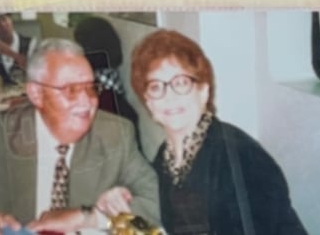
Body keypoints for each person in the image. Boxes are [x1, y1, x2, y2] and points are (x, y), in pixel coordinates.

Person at [0, 39, 160, 234]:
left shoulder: (116, 133)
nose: (87, 102)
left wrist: (90, 216)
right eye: (71, 90)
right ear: (36, 94)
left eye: (91, 88)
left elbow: (157, 206)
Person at [130, 29, 309, 235]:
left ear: (203, 91)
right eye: (156, 87)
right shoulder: (165, 158)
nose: (169, 96)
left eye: (180, 83)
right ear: (149, 103)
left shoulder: (240, 155)